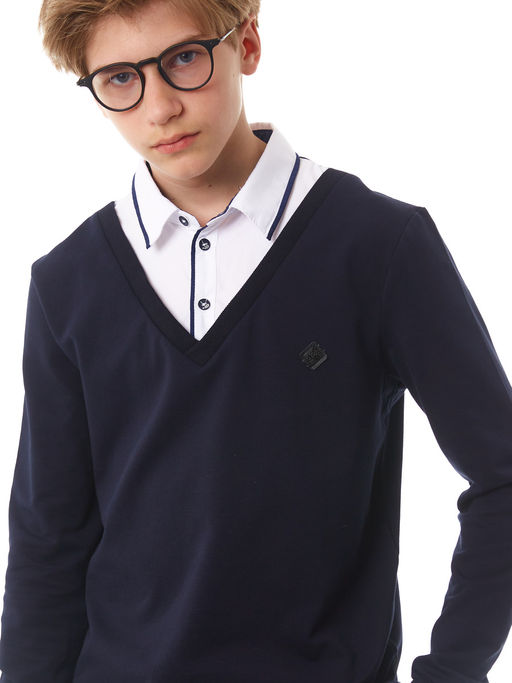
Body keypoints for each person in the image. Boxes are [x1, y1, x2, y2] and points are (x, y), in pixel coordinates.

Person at [0, 0, 511, 681]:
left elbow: (502, 475)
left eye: (184, 59)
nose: (160, 108)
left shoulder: (377, 246)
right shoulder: (67, 281)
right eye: (121, 78)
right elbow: (49, 541)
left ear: (246, 44)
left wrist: (453, 670)